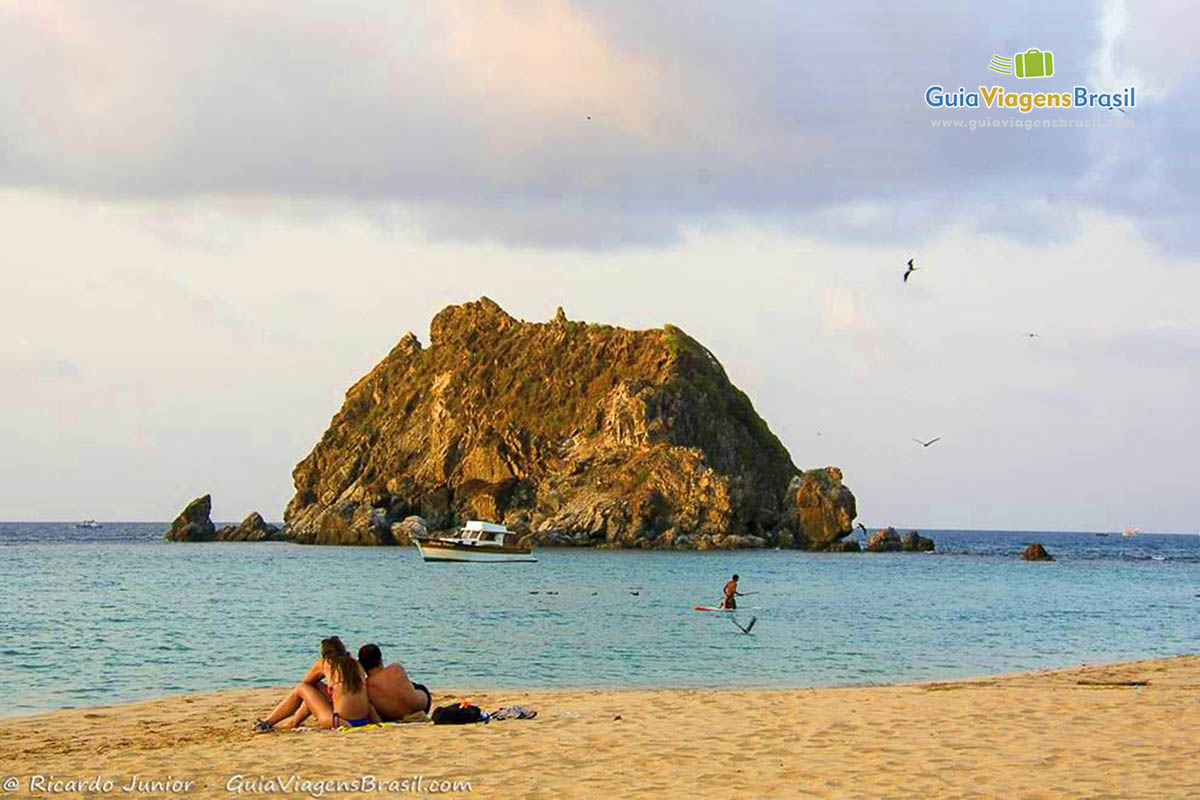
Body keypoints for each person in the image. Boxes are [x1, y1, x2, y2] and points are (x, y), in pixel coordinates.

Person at [252, 637, 378, 732]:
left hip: (339, 721)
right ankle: (293, 722)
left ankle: (268, 722)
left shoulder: (325, 662)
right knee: (314, 690)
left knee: (303, 688)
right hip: (363, 720)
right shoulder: (355, 663)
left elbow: (306, 683)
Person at [357, 643, 433, 721]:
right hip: (421, 706)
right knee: (414, 686)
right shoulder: (395, 668)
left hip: (395, 716)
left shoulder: (366, 686)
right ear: (380, 659)